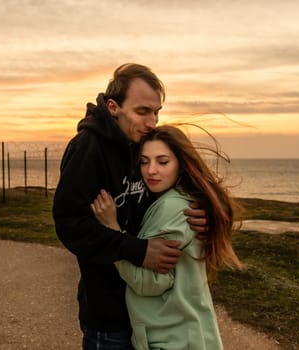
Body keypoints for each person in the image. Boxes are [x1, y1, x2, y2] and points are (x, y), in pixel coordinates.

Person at [53, 64, 208, 349]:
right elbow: (70, 224)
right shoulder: (88, 147)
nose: (152, 122)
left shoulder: (143, 146)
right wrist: (136, 249)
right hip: (109, 313)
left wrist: (204, 214)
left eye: (156, 112)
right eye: (142, 111)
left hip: (151, 314)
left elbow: (171, 189)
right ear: (113, 107)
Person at [91, 124, 243, 350]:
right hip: (187, 333)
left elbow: (150, 282)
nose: (151, 170)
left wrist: (112, 230)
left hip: (172, 338)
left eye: (162, 162)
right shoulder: (184, 199)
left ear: (181, 164)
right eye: (144, 161)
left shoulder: (171, 208)